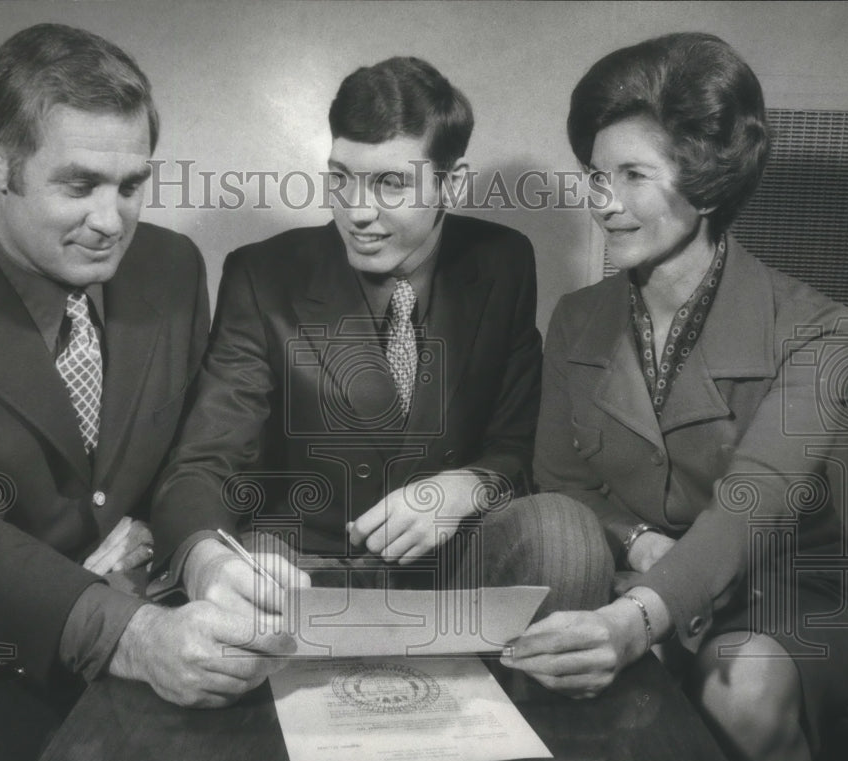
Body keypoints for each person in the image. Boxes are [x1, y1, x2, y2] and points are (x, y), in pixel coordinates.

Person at [0, 23, 301, 761]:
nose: (112, 221)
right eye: (80, 185)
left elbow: (195, 455)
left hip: (167, 619)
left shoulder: (172, 267)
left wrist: (204, 556)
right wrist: (127, 631)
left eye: (131, 185)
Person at [500, 32, 848, 761]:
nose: (604, 202)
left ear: (705, 184)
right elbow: (562, 483)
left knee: (746, 693)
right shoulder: (576, 316)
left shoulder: (821, 329)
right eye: (595, 176)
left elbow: (751, 504)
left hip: (781, 591)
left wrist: (640, 619)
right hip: (623, 578)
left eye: (633, 175)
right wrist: (636, 544)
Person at [147, 56, 612, 611]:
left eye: (391, 183)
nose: (356, 212)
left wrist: (463, 487)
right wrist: (209, 561)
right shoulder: (263, 275)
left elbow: (518, 445)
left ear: (452, 184)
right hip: (301, 564)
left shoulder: (504, 261)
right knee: (245, 584)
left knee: (564, 532)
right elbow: (206, 461)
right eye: (341, 178)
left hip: (457, 564)